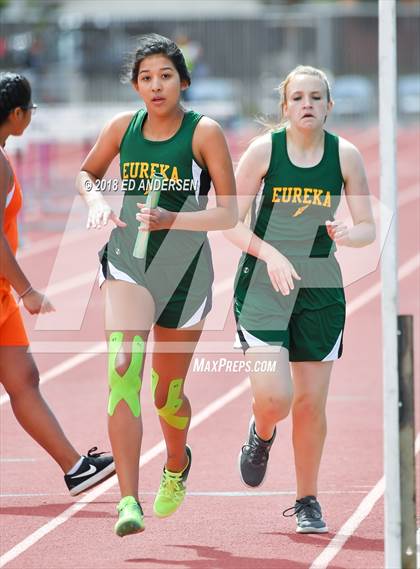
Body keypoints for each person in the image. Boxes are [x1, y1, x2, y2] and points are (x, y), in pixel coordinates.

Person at [76, 33, 237, 537]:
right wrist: (98, 201)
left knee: (167, 394)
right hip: (128, 266)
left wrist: (173, 219)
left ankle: (175, 463)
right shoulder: (123, 128)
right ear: (135, 86)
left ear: (183, 81)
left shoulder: (204, 133)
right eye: (145, 78)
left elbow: (229, 212)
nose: (156, 85)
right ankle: (127, 500)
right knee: (122, 370)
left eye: (165, 75)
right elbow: (87, 174)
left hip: (185, 274)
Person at [225, 65, 375, 533]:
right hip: (264, 284)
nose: (307, 104)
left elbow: (368, 227)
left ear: (329, 106)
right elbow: (229, 221)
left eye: (316, 97)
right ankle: (261, 431)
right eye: (298, 98)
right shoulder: (263, 151)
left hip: (320, 290)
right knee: (274, 398)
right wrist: (269, 254)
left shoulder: (345, 156)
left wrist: (350, 235)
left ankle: (306, 498)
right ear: (285, 106)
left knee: (310, 404)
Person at [0, 72, 115, 497]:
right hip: (7, 291)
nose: (31, 116)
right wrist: (28, 290)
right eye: (30, 110)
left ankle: (75, 468)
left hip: (2, 295)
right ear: (16, 114)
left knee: (23, 379)